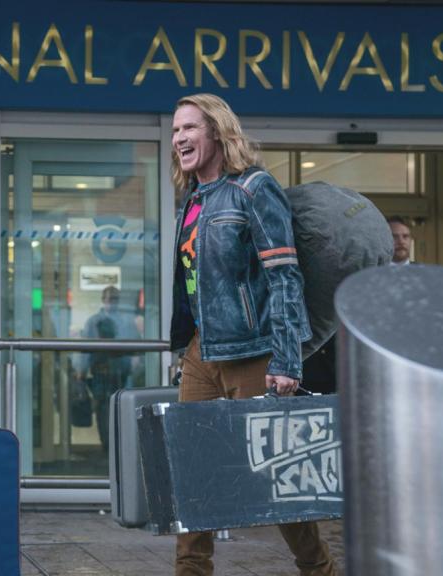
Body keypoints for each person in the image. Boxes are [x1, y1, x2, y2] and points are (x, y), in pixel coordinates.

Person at [168, 94, 336, 576]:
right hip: (203, 352)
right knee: (193, 471)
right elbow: (193, 285)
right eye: (176, 131)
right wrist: (186, 347)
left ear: (217, 132)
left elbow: (285, 278)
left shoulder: (253, 189)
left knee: (276, 476)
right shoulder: (192, 201)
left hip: (253, 353)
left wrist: (286, 360)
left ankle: (319, 568)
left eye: (189, 128)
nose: (179, 138)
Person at [79, 285, 140, 449]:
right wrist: (81, 370)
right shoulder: (93, 321)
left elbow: (135, 348)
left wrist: (133, 365)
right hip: (100, 370)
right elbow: (85, 349)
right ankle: (106, 443)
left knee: (121, 405)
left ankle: (120, 444)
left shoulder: (126, 321)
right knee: (101, 408)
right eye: (107, 299)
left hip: (121, 371)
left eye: (113, 299)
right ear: (102, 300)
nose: (110, 303)